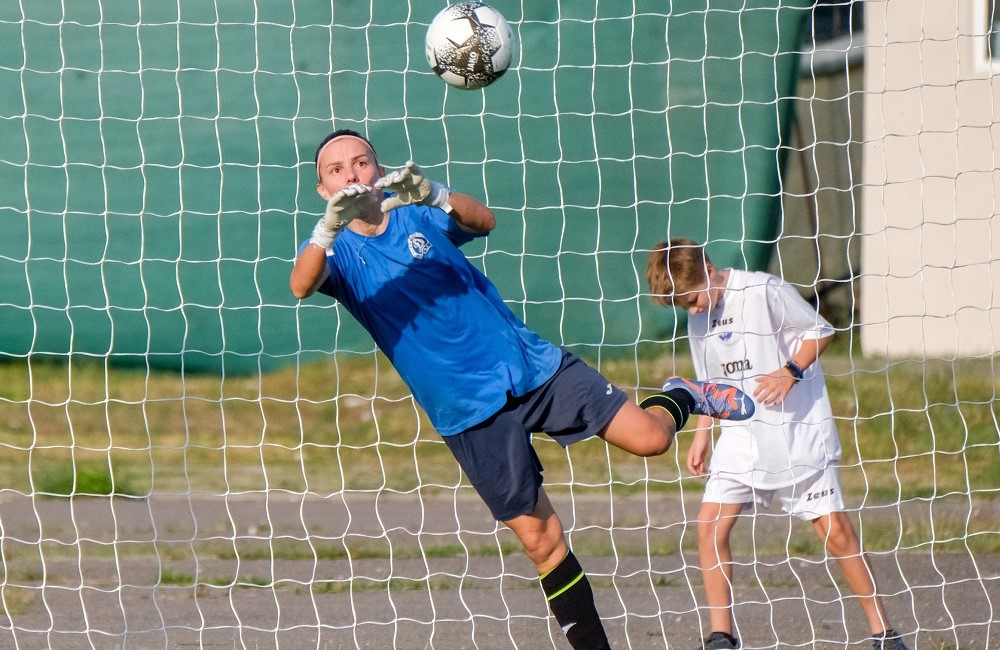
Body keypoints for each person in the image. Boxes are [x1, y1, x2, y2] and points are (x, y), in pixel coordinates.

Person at [290, 130, 755, 650]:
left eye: (362, 162)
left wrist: (436, 194)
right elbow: (301, 284)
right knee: (542, 542)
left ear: (379, 169)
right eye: (337, 170)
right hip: (468, 414)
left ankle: (682, 394)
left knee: (650, 439)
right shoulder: (336, 252)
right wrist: (328, 228)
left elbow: (484, 221)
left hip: (531, 368)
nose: (352, 175)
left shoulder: (414, 213)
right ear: (321, 187)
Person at [645, 238, 909, 650]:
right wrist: (701, 436)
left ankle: (884, 634)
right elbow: (710, 384)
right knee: (709, 527)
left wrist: (789, 371)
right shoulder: (699, 320)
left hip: (795, 432)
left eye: (694, 299)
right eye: (684, 307)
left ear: (710, 270)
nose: (693, 310)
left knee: (836, 534)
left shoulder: (762, 291)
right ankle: (721, 636)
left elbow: (821, 331)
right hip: (740, 439)